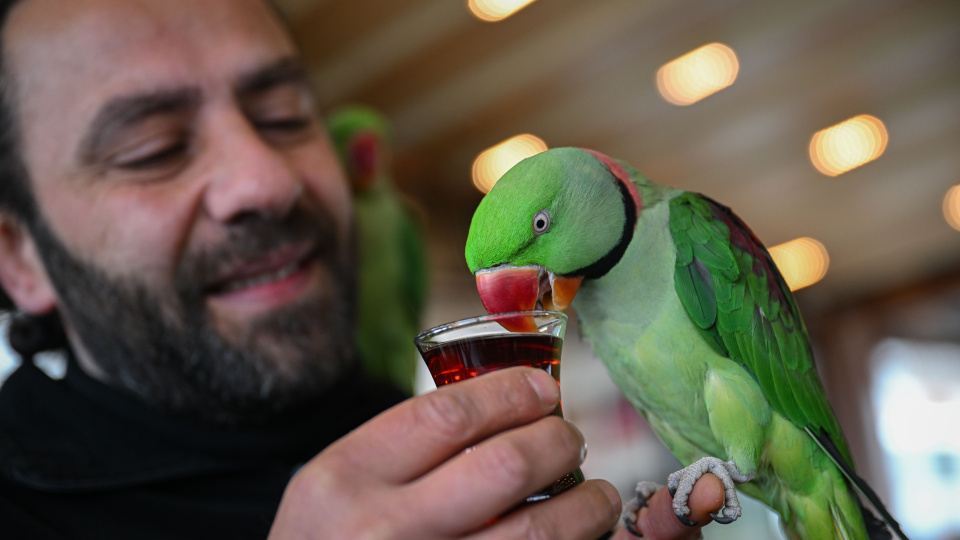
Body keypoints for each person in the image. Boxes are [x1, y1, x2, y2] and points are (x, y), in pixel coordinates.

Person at [0, 0, 723, 538]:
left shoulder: (439, 451)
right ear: (17, 257)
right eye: (152, 150)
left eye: (285, 116)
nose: (267, 179)